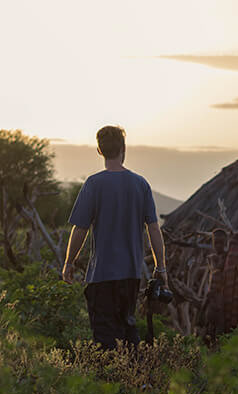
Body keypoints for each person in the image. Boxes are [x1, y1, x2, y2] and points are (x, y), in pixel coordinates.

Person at [62, 125, 168, 349]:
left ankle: (119, 371)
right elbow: (153, 228)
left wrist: (69, 262)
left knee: (105, 339)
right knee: (127, 330)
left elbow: (80, 228)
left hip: (101, 275)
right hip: (130, 275)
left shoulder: (94, 184)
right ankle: (137, 370)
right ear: (123, 148)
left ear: (99, 151)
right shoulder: (140, 184)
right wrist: (161, 267)